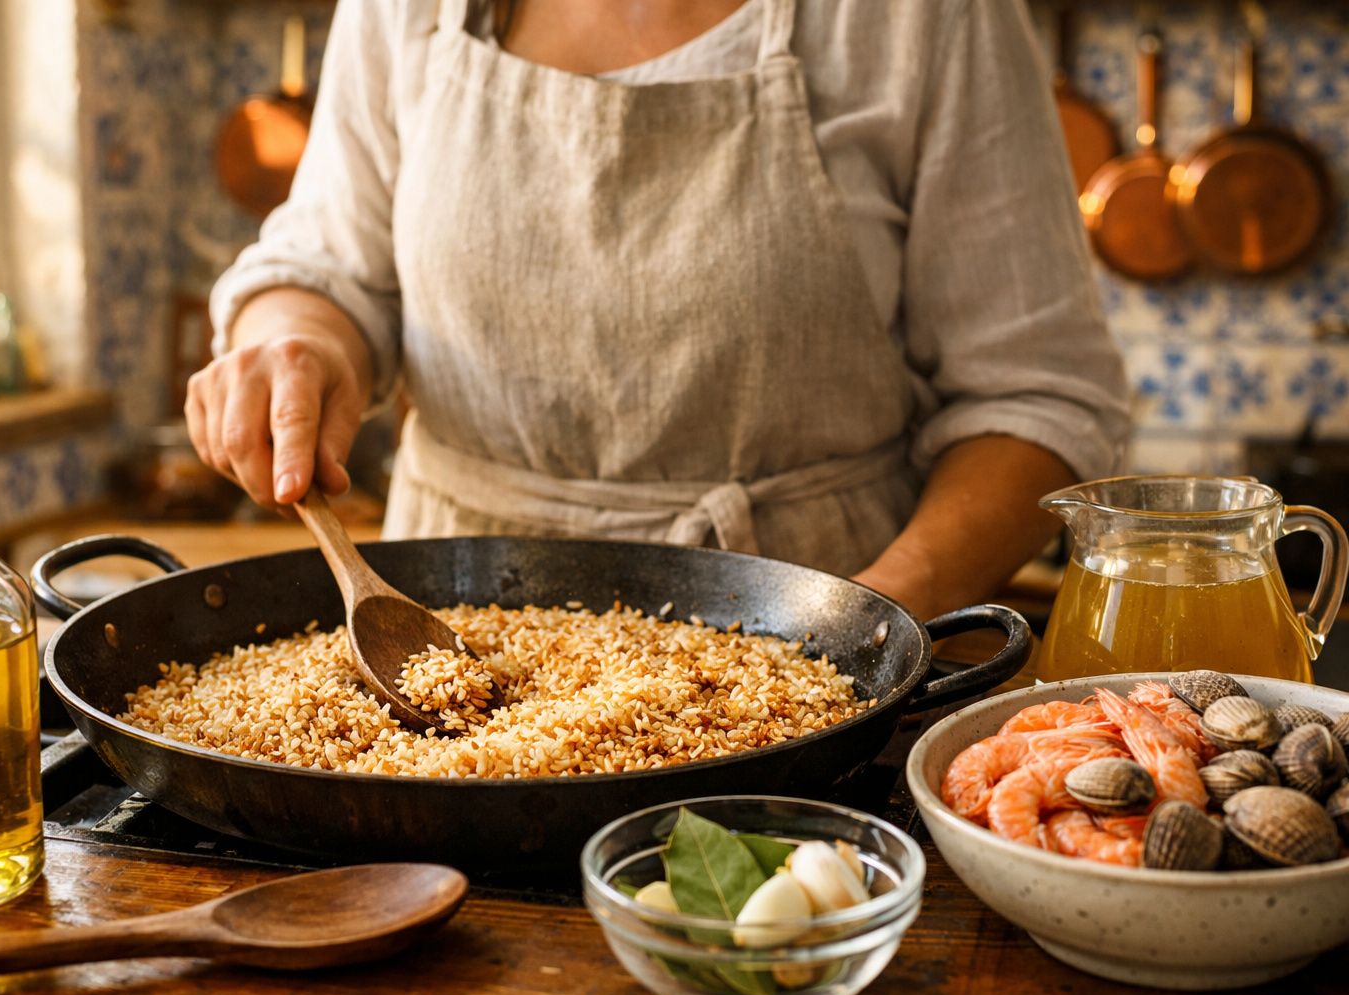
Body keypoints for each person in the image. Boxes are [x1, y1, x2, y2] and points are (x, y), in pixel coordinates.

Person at [190, 0, 1129, 621]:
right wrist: (293, 342)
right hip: (445, 631)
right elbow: (328, 265)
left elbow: (1040, 398)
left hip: (810, 640)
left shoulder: (920, 19)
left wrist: (857, 633)